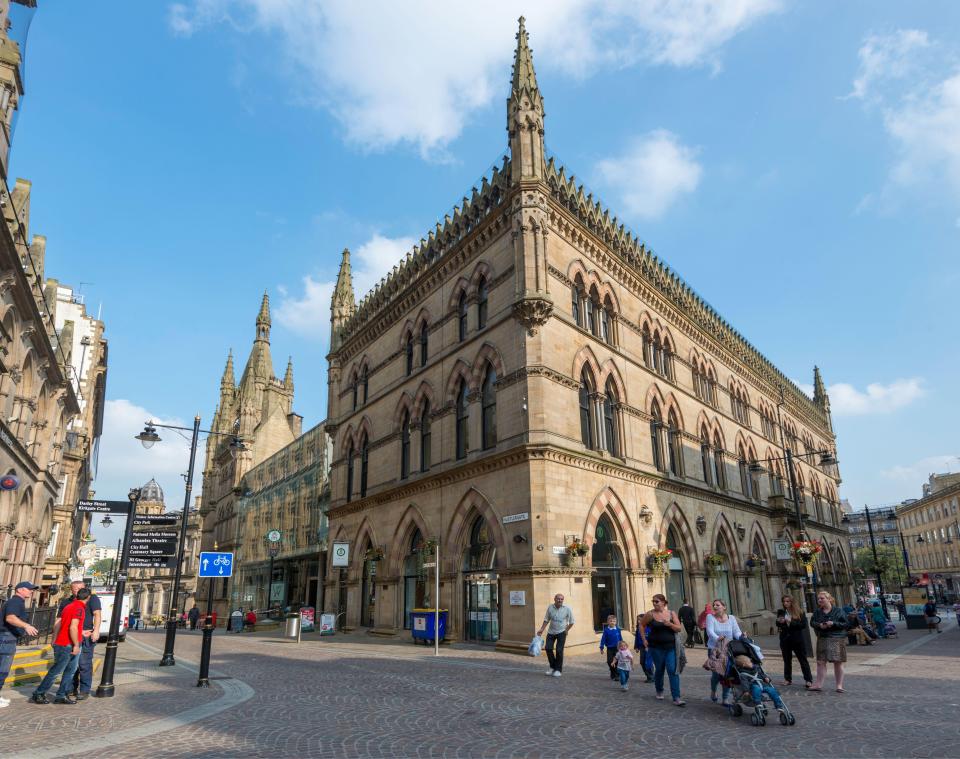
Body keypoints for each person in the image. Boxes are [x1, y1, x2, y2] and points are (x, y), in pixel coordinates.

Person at [31, 587, 90, 705]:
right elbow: (73, 627)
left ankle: (61, 695)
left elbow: (59, 624)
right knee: (57, 671)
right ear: (88, 598)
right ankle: (39, 693)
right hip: (68, 644)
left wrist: (54, 639)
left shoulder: (68, 606)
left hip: (63, 643)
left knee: (70, 671)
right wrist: (76, 644)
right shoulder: (79, 608)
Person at [637, 594, 686, 706]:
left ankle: (676, 697)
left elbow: (679, 628)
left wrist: (669, 624)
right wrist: (644, 639)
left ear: (664, 602)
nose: (654, 603)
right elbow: (641, 625)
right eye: (653, 601)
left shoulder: (671, 613)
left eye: (657, 601)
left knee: (672, 670)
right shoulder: (650, 614)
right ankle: (659, 690)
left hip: (671, 647)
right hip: (656, 647)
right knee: (659, 670)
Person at [57, 581, 101, 701]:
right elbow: (59, 620)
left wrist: (96, 630)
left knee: (84, 664)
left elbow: (97, 614)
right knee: (71, 665)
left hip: (86, 635)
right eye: (75, 589)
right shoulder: (66, 602)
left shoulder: (92, 599)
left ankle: (84, 690)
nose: (77, 591)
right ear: (71, 590)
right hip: (71, 636)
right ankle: (71, 688)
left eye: (80, 588)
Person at [0, 582, 40, 708]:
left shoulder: (17, 602)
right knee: (2, 670)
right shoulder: (16, 602)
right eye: (29, 589)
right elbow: (10, 618)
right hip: (6, 639)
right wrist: (26, 626)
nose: (31, 591)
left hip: (7, 638)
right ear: (20, 590)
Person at [705, 598, 742, 705]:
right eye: (714, 605)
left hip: (728, 650)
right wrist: (717, 638)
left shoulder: (731, 618)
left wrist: (742, 637)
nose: (715, 607)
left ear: (724, 607)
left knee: (727, 674)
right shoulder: (710, 617)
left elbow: (736, 632)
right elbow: (710, 631)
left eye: (718, 605)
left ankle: (725, 698)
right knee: (716, 674)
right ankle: (713, 690)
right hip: (715, 650)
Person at [810, 590, 848, 693]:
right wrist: (819, 625)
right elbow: (812, 622)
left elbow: (845, 624)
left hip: (836, 638)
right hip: (823, 638)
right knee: (820, 662)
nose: (820, 600)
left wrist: (833, 623)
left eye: (822, 598)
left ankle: (839, 685)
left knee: (838, 662)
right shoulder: (817, 612)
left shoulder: (838, 611)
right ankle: (818, 684)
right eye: (818, 599)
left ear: (829, 599)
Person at [776, 595, 812, 688]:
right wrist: (780, 621)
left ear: (792, 602)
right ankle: (787, 679)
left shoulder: (799, 612)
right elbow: (777, 624)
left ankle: (808, 680)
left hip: (797, 639)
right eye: (784, 601)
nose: (785, 603)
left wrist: (790, 621)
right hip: (785, 639)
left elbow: (802, 625)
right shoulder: (781, 612)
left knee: (802, 659)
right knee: (787, 660)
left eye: (787, 601)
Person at [536, 593, 574, 677]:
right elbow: (546, 619)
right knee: (548, 648)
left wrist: (567, 630)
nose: (560, 600)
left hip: (561, 632)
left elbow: (572, 622)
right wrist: (542, 629)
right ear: (554, 599)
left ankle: (558, 670)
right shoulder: (550, 607)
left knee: (559, 651)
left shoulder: (567, 609)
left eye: (561, 599)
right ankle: (552, 667)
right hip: (551, 632)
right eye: (558, 599)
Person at [599, 614, 624, 681]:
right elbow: (603, 639)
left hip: (617, 648)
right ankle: (612, 672)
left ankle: (617, 675)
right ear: (608, 622)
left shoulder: (618, 630)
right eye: (611, 621)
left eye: (614, 621)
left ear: (616, 622)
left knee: (617, 661)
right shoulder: (606, 630)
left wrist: (623, 646)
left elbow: (621, 638)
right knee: (609, 661)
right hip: (610, 648)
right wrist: (601, 647)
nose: (612, 622)